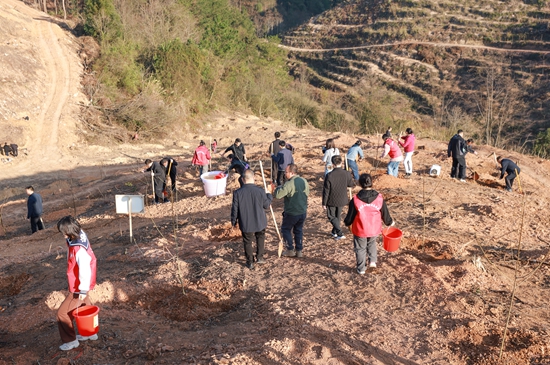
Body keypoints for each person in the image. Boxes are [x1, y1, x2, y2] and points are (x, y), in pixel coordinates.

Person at [56, 216, 98, 351]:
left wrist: (82, 290)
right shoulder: (80, 234)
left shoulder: (79, 250)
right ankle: (90, 333)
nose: (64, 236)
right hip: (83, 283)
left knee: (62, 314)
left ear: (71, 231)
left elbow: (84, 269)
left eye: (65, 233)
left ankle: (71, 341)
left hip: (78, 285)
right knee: (86, 305)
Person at [344, 173, 394, 275]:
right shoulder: (379, 198)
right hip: (374, 228)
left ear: (360, 184)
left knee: (360, 248)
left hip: (360, 229)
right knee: (371, 244)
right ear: (371, 183)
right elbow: (385, 212)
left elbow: (350, 216)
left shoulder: (355, 199)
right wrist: (390, 222)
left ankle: (361, 268)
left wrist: (347, 222)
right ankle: (372, 262)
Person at [231, 169, 273, 269]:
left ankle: (250, 262)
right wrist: (269, 195)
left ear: (242, 179)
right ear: (253, 178)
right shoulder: (260, 191)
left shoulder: (237, 193)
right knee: (260, 237)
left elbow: (234, 209)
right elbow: (266, 205)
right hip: (260, 221)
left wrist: (233, 221)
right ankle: (260, 257)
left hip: (246, 223)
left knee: (247, 241)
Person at [273, 164, 310, 258]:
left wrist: (276, 189)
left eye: (286, 172)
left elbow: (278, 195)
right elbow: (307, 193)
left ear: (292, 172)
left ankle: (290, 249)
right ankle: (299, 251)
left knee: (285, 229)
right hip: (302, 211)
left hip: (292, 212)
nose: (285, 174)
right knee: (298, 230)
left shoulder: (289, 183)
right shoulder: (304, 181)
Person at [322, 155, 355, 240]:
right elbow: (351, 185)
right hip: (342, 199)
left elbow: (326, 191)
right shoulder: (346, 173)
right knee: (337, 216)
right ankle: (334, 232)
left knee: (331, 216)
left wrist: (324, 203)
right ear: (341, 162)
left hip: (331, 200)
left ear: (333, 164)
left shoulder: (329, 175)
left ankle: (340, 233)